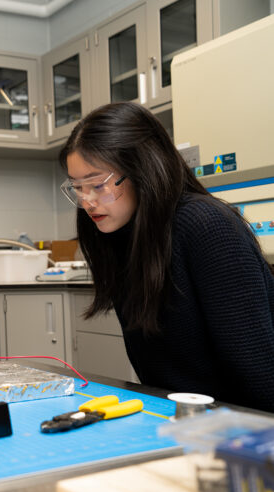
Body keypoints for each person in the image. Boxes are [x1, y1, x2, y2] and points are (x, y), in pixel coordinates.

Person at [60, 101, 274, 412]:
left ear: (142, 169)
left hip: (244, 425)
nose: (87, 201)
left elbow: (260, 374)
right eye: (77, 187)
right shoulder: (118, 235)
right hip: (182, 418)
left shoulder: (207, 227)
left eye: (97, 185)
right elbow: (157, 372)